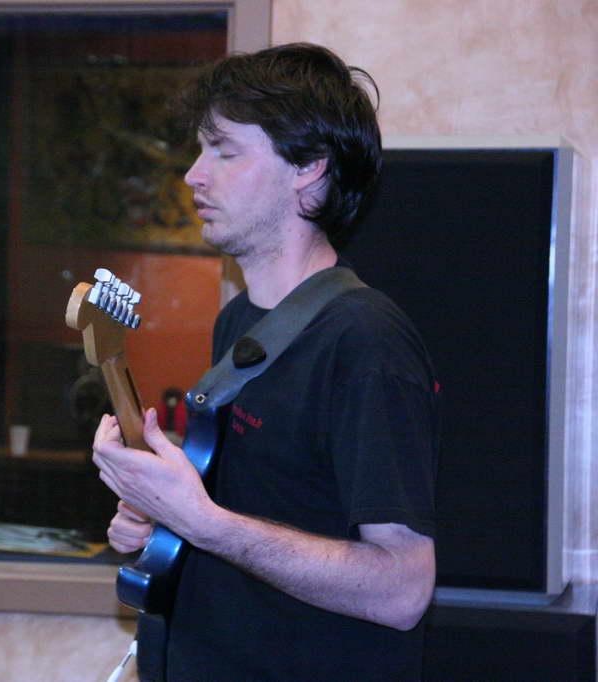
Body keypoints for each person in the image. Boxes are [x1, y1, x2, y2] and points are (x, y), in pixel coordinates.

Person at [92, 43, 440, 681]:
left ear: (309, 165)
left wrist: (200, 520)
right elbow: (252, 515)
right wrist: (158, 518)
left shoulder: (367, 342)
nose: (194, 176)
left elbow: (402, 590)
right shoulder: (238, 322)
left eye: (224, 151)